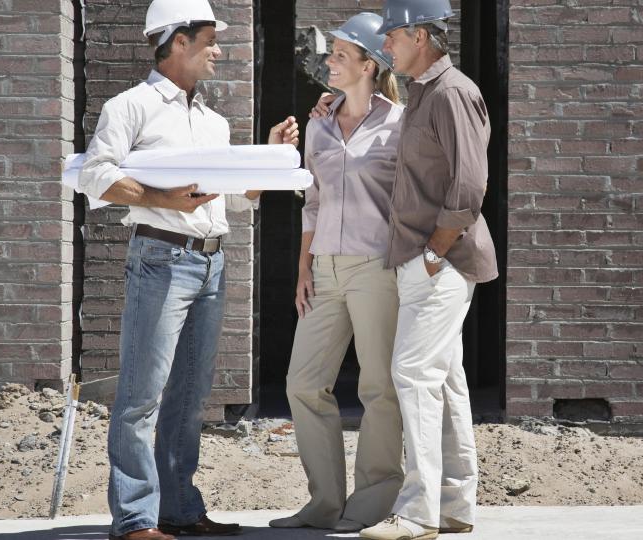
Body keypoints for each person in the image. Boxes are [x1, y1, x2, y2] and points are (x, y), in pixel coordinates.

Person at [77, 1, 298, 539]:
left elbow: (236, 197)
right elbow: (94, 175)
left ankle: (178, 510)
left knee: (189, 397)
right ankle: (135, 520)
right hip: (161, 259)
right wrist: (161, 199)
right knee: (142, 396)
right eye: (210, 41)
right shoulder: (131, 106)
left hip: (211, 262)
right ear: (179, 41)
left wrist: (267, 158)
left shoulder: (212, 120)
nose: (218, 51)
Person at [357, 1, 498, 539]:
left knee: (413, 375)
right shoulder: (421, 93)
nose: (384, 46)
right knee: (445, 380)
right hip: (426, 260)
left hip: (440, 259)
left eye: (391, 36)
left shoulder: (452, 92)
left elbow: (470, 184)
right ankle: (456, 505)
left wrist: (435, 251)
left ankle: (418, 512)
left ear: (419, 36)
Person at [267, 12, 406, 534]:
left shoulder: (401, 123)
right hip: (324, 268)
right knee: (303, 383)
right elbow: (313, 202)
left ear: (370, 66)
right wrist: (303, 267)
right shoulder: (319, 124)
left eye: (341, 55)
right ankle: (324, 503)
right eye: (332, 54)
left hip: (377, 268)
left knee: (379, 388)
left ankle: (373, 502)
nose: (329, 61)